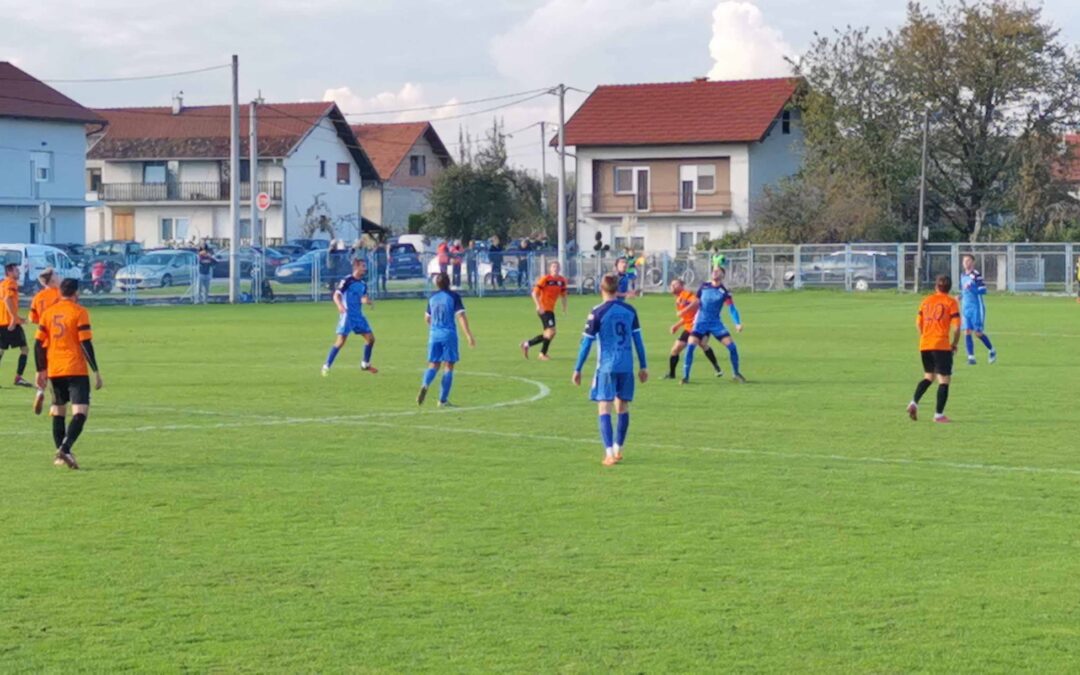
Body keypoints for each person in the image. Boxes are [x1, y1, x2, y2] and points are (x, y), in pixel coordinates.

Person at [572, 274, 648, 467]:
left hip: (606, 366)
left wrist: (578, 368)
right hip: (626, 365)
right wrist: (643, 366)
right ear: (617, 289)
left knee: (604, 407)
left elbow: (586, 344)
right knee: (623, 406)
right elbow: (638, 340)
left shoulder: (597, 312)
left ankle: (608, 454)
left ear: (601, 289)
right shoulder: (630, 310)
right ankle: (618, 449)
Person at [33, 278, 104, 469]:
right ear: (76, 293)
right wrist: (96, 370)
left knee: (58, 411)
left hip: (55, 370)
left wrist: (41, 369)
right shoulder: (79, 312)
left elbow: (38, 344)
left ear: (60, 292)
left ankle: (59, 456)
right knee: (80, 412)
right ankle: (64, 448)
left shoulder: (48, 313)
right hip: (75, 369)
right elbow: (85, 343)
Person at [907, 274, 961, 423]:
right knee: (944, 380)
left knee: (929, 377)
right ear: (949, 288)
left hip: (925, 344)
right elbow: (957, 328)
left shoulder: (926, 301)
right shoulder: (951, 302)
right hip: (941, 345)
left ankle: (913, 402)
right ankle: (938, 415)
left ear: (936, 286)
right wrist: (955, 344)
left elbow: (918, 323)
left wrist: (925, 336)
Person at [417, 273, 476, 407]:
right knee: (448, 366)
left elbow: (427, 318)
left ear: (437, 284)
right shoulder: (453, 296)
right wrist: (468, 335)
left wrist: (435, 327)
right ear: (449, 283)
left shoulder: (432, 298)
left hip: (434, 335)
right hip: (448, 334)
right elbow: (461, 316)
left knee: (433, 364)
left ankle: (425, 384)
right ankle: (442, 400)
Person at [683, 266, 745, 383]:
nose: (715, 272)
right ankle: (685, 377)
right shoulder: (704, 286)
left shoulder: (724, 292)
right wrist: (686, 311)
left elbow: (732, 308)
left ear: (723, 275)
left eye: (718, 271)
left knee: (732, 347)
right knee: (690, 346)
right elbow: (696, 302)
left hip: (715, 323)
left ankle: (736, 374)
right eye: (713, 270)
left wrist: (737, 323)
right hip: (701, 322)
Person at [322, 258, 378, 376]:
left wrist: (367, 301)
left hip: (358, 316)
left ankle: (365, 364)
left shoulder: (363, 284)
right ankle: (326, 366)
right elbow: (336, 295)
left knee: (371, 339)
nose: (365, 268)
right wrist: (340, 306)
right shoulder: (347, 280)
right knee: (340, 341)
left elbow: (362, 298)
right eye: (363, 266)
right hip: (347, 315)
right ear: (356, 267)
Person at [665, 279, 723, 380]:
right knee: (675, 349)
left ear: (682, 285)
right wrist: (677, 326)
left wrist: (684, 310)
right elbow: (686, 317)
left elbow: (696, 301)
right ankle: (672, 374)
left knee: (702, 344)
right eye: (671, 284)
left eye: (675, 284)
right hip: (689, 327)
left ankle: (717, 368)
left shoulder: (686, 294)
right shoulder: (678, 299)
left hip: (699, 324)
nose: (672, 286)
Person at [520, 261, 568, 361]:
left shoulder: (562, 281)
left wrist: (564, 307)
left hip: (550, 310)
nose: (556, 268)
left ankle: (526, 344)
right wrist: (538, 306)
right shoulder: (545, 279)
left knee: (550, 333)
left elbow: (563, 295)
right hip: (544, 309)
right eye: (554, 266)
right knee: (550, 331)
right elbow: (534, 293)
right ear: (550, 269)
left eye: (557, 267)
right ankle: (542, 354)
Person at [29, 268, 61, 414]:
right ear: (52, 280)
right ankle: (55, 401)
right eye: (57, 275)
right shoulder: (60, 294)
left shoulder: (38, 297)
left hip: (41, 337)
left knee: (43, 369)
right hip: (57, 337)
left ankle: (40, 392)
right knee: (56, 370)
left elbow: (32, 318)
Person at [959, 254, 996, 365]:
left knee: (978, 333)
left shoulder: (976, 275)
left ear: (973, 262)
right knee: (967, 331)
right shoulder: (962, 275)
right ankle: (971, 357)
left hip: (976, 307)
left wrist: (973, 288)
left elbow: (983, 290)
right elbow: (964, 291)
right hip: (965, 307)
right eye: (964, 260)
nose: (966, 262)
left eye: (968, 260)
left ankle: (992, 350)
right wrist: (960, 296)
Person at [0, 262, 33, 388]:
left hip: (2, 321)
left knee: (1, 350)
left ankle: (18, 378)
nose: (19, 273)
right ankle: (18, 378)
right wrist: (14, 318)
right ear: (10, 272)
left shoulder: (2, 283)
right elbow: (7, 299)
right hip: (9, 322)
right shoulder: (10, 283)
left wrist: (17, 317)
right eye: (16, 271)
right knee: (25, 349)